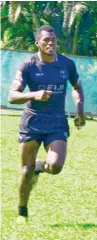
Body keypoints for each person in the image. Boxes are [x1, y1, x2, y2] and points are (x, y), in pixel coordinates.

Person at [8, 25, 85, 224]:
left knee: (56, 166)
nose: (51, 44)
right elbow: (12, 96)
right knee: (25, 170)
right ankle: (22, 212)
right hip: (32, 121)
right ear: (37, 43)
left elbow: (77, 87)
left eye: (53, 40)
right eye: (46, 41)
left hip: (57, 122)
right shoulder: (28, 65)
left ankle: (39, 167)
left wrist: (80, 109)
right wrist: (33, 94)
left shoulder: (66, 64)